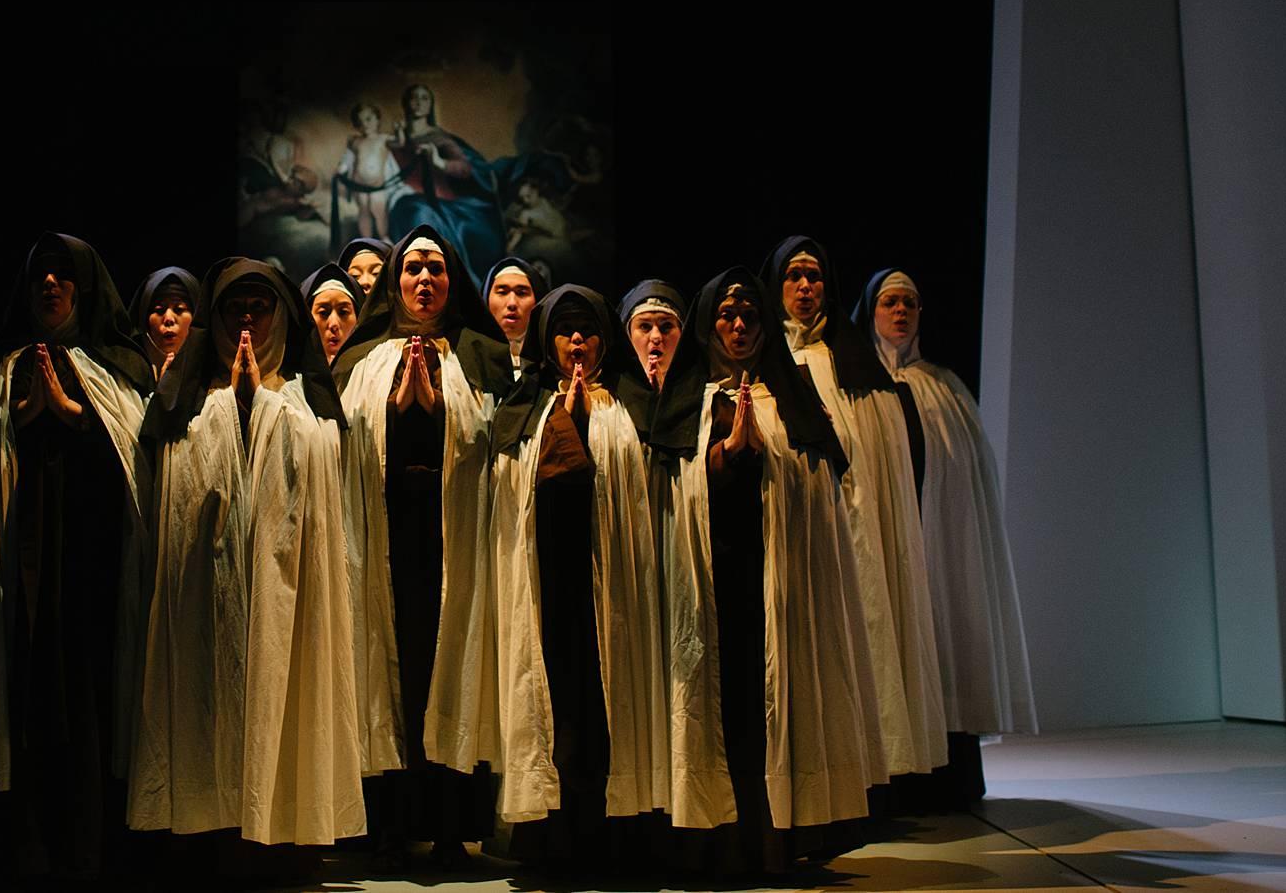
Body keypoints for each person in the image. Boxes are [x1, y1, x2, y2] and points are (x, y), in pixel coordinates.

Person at [0, 233, 153, 886]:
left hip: (85, 583)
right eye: (40, 274)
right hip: (7, 584)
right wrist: (7, 423)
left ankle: (81, 852)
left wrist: (74, 418)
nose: (50, 285)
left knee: (81, 709)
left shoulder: (118, 370)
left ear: (85, 288)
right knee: (8, 703)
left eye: (63, 275)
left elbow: (136, 476)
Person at [128, 259, 364, 863]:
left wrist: (260, 404)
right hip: (207, 590)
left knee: (280, 693)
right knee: (209, 694)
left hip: (286, 593)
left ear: (282, 317)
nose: (249, 320)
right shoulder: (188, 395)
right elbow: (177, 484)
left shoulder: (307, 395)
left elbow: (321, 467)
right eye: (237, 308)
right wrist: (229, 407)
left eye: (261, 308)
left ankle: (280, 833)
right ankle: (206, 833)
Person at [649, 269, 878, 873]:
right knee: (715, 705)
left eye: (749, 314)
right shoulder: (686, 400)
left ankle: (774, 835)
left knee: (772, 703)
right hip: (708, 578)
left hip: (778, 581)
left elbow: (820, 485)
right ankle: (716, 839)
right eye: (726, 315)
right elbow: (670, 491)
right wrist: (720, 459)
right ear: (708, 324)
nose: (739, 326)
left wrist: (766, 454)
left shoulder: (792, 394)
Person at [330, 225, 513, 869]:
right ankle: (386, 826)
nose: (424, 280)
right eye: (412, 269)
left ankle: (449, 827)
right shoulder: (359, 359)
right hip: (383, 542)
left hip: (455, 545)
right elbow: (346, 447)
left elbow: (499, 449)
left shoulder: (485, 356)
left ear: (451, 278)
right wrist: (399, 404)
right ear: (394, 281)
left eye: (436, 267)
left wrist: (442, 414)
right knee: (386, 668)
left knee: (451, 667)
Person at [487, 285, 669, 871]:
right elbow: (511, 485)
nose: (576, 341)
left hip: (610, 589)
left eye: (587, 330)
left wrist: (590, 425)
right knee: (553, 707)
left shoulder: (625, 406)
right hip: (548, 585)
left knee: (604, 702)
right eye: (564, 330)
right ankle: (550, 840)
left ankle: (611, 835)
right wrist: (560, 425)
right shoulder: (526, 407)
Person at [764, 236, 947, 793]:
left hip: (856, 529)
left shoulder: (855, 365)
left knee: (863, 631)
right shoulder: (765, 359)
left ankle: (871, 772)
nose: (804, 287)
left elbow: (880, 467)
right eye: (793, 276)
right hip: (793, 530)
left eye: (814, 277)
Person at [856, 269, 1036, 804]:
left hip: (942, 545)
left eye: (910, 302)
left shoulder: (944, 386)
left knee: (945, 639)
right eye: (890, 302)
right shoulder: (861, 386)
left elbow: (970, 481)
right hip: (891, 538)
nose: (901, 311)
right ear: (871, 311)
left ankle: (950, 776)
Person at [385, 85, 506, 275]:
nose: (418, 102)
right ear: (406, 103)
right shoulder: (397, 138)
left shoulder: (438, 137)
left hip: (439, 201)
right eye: (414, 97)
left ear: (430, 105)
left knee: (418, 214)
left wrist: (439, 161)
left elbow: (464, 168)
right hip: (405, 196)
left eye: (424, 98)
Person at [335, 103, 399, 242]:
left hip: (377, 185)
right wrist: (342, 168)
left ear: (377, 119)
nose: (365, 124)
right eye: (360, 122)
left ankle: (384, 237)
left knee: (379, 210)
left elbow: (400, 143)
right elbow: (348, 158)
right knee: (363, 211)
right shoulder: (356, 141)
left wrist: (399, 131)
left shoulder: (384, 139)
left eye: (368, 119)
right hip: (359, 185)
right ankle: (366, 240)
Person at [129, 266, 200, 381]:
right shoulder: (127, 380)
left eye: (179, 309)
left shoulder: (215, 381)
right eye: (159, 310)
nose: (168, 319)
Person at [482, 256, 546, 377]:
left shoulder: (552, 366)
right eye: (502, 292)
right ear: (486, 299)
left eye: (522, 293)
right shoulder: (469, 361)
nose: (512, 303)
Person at [618, 280, 685, 393]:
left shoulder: (702, 397)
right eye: (645, 326)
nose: (656, 337)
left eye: (666, 326)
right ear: (628, 336)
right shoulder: (609, 400)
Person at [301, 263, 364, 363]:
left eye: (343, 312)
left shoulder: (373, 372)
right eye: (323, 313)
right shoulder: (290, 377)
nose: (334, 324)